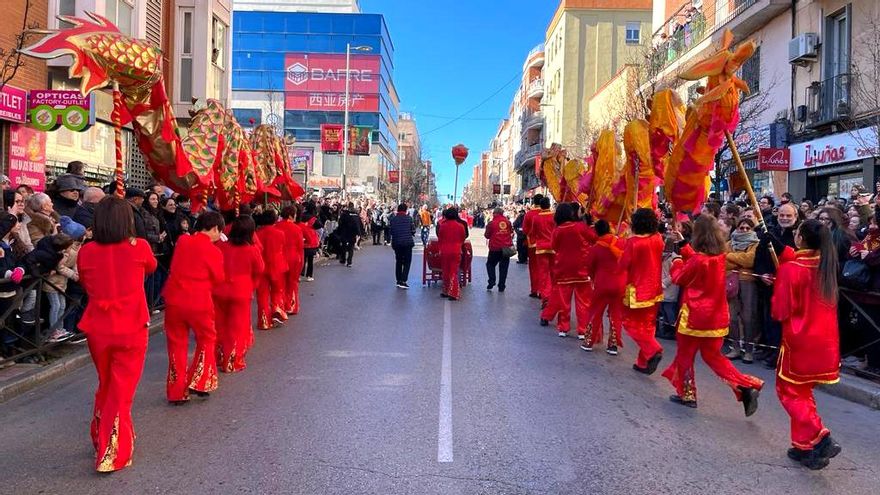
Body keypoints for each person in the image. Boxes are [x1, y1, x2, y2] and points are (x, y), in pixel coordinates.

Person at [76, 196, 157, 472]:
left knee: (107, 383)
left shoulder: (85, 251)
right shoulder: (140, 247)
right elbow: (152, 268)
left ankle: (102, 435)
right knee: (121, 390)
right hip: (131, 326)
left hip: (98, 327)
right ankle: (111, 452)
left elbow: (86, 282)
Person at [662, 215, 764, 413]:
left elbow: (680, 277)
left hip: (694, 317)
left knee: (685, 356)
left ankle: (688, 394)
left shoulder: (699, 261)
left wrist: (675, 262)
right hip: (715, 317)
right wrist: (682, 243)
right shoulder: (720, 258)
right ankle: (745, 385)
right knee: (713, 357)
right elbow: (697, 260)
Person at [772, 219, 842, 470]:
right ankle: (804, 446)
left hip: (798, 342)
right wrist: (781, 248)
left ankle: (820, 435)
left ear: (800, 238)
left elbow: (780, 311)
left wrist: (777, 284)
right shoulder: (825, 265)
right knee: (802, 393)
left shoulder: (791, 269)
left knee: (788, 392)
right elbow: (802, 264)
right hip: (825, 343)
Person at [162, 211, 225, 404]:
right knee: (207, 339)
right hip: (198, 301)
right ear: (215, 229)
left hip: (174, 300)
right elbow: (219, 278)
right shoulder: (214, 251)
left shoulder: (183, 241)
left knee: (176, 345)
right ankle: (200, 380)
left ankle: (176, 391)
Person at [213, 215, 264, 373]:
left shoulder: (221, 246)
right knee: (237, 328)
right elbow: (260, 270)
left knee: (220, 325)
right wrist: (251, 286)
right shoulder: (252, 250)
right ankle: (232, 360)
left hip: (220, 290)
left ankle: (218, 356)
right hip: (241, 292)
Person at [754, 202, 800, 368]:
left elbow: (793, 256)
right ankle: (771, 348)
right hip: (769, 285)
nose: (785, 218)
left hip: (788, 286)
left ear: (795, 217)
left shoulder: (798, 235)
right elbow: (759, 256)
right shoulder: (770, 232)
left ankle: (781, 353)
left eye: (788, 216)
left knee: (784, 322)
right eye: (782, 215)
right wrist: (761, 274)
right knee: (769, 320)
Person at [620, 208, 666, 375]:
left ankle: (653, 350)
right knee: (647, 327)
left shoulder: (633, 243)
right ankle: (643, 362)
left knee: (630, 324)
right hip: (654, 290)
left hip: (637, 290)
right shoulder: (658, 239)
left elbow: (623, 265)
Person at [539, 203, 595, 338]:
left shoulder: (558, 230)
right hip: (582, 268)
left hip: (563, 269)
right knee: (584, 301)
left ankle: (563, 327)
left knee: (564, 301)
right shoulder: (581, 227)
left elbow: (554, 246)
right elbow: (594, 239)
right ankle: (582, 329)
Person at [583, 219, 625, 354]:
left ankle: (589, 341)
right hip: (619, 284)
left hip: (602, 284)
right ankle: (613, 344)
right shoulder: (621, 243)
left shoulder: (596, 247)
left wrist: (593, 278)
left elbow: (590, 266)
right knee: (616, 314)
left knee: (595, 312)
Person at [725, 218, 760, 363]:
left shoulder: (755, 244)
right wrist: (739, 261)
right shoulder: (728, 243)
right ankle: (735, 348)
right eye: (741, 227)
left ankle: (749, 350)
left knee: (748, 316)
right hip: (731, 283)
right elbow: (724, 261)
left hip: (748, 283)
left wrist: (731, 257)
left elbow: (750, 261)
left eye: (747, 228)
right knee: (732, 316)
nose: (744, 230)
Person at [255, 209, 289, 329]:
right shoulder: (280, 233)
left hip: (262, 267)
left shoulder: (257, 234)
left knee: (262, 295)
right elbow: (283, 250)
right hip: (277, 265)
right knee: (277, 291)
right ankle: (277, 312)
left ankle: (264, 321)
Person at [526, 196, 555, 304]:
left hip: (540, 248)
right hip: (553, 247)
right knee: (552, 272)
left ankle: (544, 294)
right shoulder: (554, 216)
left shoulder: (535, 217)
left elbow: (531, 232)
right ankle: (551, 293)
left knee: (541, 272)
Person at [276, 206, 305, 314]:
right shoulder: (296, 228)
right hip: (294, 257)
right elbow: (300, 246)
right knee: (292, 283)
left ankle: (281, 305)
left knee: (281, 284)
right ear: (290, 215)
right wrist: (301, 262)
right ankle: (291, 306)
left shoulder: (276, 226)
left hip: (281, 257)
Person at [436, 208, 467, 300]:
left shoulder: (443, 226)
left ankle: (445, 291)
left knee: (445, 271)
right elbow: (463, 238)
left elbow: (440, 238)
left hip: (445, 251)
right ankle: (453, 293)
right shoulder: (460, 226)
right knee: (453, 271)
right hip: (456, 250)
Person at [484, 207, 514, 292]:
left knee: (490, 264)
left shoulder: (491, 223)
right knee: (504, 267)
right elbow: (511, 231)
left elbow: (487, 235)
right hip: (506, 248)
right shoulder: (508, 222)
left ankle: (492, 280)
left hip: (495, 247)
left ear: (494, 213)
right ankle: (501, 286)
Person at [389, 203, 416, 289]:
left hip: (397, 243)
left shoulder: (393, 219)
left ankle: (398, 280)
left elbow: (391, 231)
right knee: (407, 262)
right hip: (407, 243)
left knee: (399, 261)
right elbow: (413, 230)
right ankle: (404, 280)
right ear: (405, 210)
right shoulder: (409, 219)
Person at [522, 194, 544, 296]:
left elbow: (525, 230)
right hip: (545, 244)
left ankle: (534, 289)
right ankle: (543, 290)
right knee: (544, 268)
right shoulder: (547, 213)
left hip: (532, 243)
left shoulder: (529, 214)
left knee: (533, 268)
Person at [336, 202, 363, 267]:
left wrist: (338, 232)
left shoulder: (344, 214)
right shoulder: (356, 215)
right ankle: (349, 261)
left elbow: (340, 224)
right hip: (353, 233)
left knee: (343, 246)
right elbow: (360, 224)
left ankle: (343, 259)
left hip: (345, 233)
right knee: (351, 248)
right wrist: (359, 233)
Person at [299, 209, 322, 281]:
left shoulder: (301, 223)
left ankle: (300, 274)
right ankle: (309, 276)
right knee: (310, 261)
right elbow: (320, 226)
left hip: (304, 245)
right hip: (312, 244)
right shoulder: (313, 220)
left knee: (303, 260)